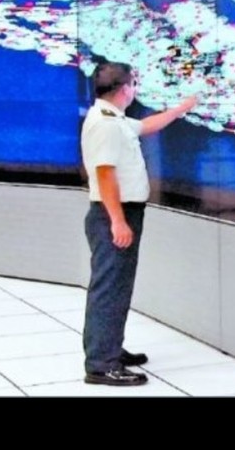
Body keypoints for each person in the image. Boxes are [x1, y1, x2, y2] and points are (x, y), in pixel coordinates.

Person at [81, 61, 198, 386]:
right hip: (113, 214)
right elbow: (105, 174)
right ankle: (101, 364)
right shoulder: (105, 125)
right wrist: (118, 222)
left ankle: (109, 348)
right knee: (109, 288)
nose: (135, 89)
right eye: (133, 84)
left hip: (119, 213)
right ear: (124, 90)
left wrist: (181, 109)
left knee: (117, 286)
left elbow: (146, 126)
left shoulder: (113, 118)